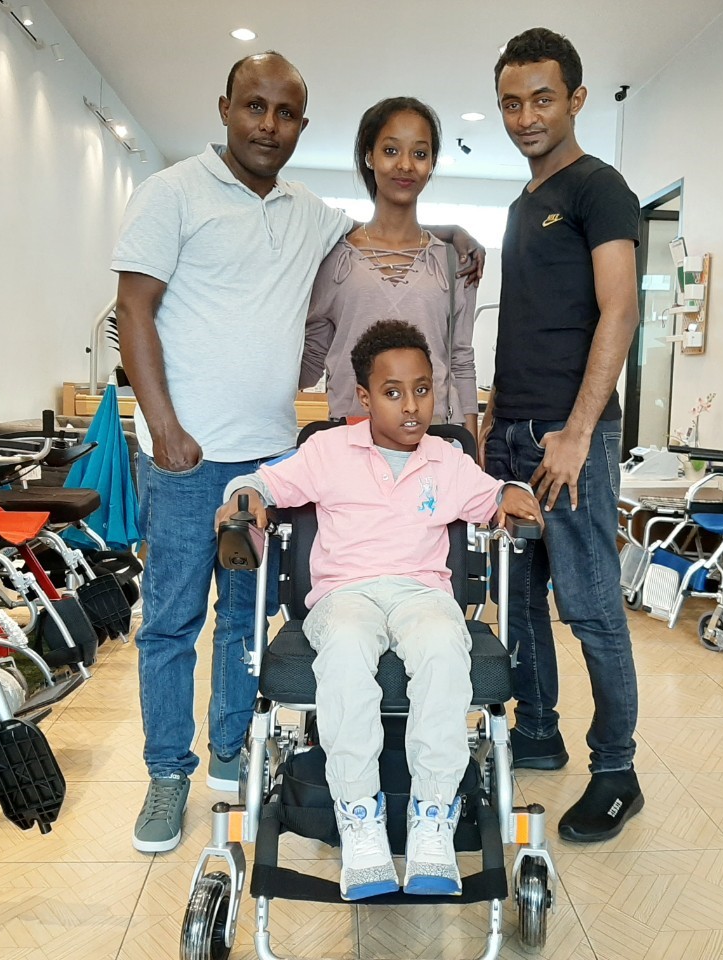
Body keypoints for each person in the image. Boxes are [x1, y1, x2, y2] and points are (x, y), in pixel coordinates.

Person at [112, 51, 484, 854]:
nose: (268, 125)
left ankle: (229, 753)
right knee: (171, 622)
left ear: (302, 127)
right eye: (254, 106)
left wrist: (453, 234)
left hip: (270, 456)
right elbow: (132, 310)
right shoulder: (171, 192)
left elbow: (384, 231)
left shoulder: (310, 214)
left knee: (243, 622)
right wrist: (164, 428)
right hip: (184, 457)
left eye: (284, 114)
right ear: (225, 107)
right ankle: (167, 772)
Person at [216, 320, 542, 900]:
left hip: (422, 594)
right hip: (345, 595)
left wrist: (514, 494)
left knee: (444, 648)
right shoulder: (328, 451)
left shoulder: (446, 459)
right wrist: (245, 497)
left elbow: (493, 495)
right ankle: (359, 815)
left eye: (422, 389)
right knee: (345, 650)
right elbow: (261, 483)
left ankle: (433, 816)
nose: (411, 406)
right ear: (365, 399)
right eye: (393, 393)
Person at [481, 27, 644, 843]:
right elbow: (528, 322)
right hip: (514, 434)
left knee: (590, 607)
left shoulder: (599, 188)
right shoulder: (521, 205)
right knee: (520, 602)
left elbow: (621, 309)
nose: (525, 117)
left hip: (569, 439)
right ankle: (538, 731)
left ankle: (617, 770)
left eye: (541, 99)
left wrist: (578, 431)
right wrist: (494, 419)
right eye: (511, 103)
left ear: (575, 99)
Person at [300, 98, 479, 440]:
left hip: (434, 439)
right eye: (391, 150)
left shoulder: (454, 259)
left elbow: (460, 359)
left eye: (420, 153)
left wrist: (470, 449)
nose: (406, 165)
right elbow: (311, 359)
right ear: (369, 156)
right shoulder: (334, 258)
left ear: (432, 163)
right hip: (350, 440)